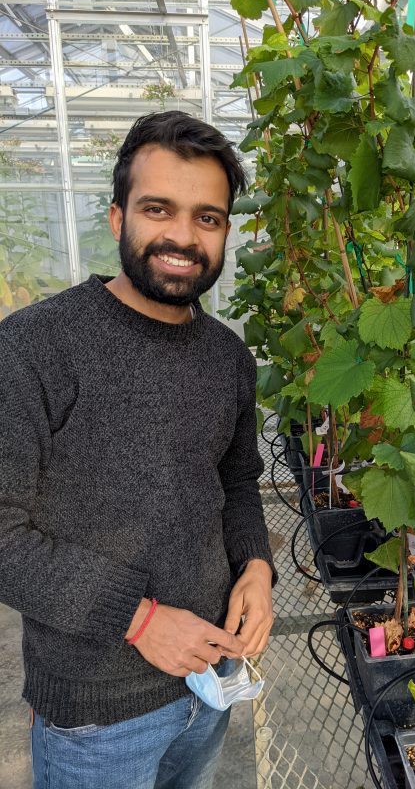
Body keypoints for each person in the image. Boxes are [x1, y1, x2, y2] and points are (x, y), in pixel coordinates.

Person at [0, 110, 276, 789]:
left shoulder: (227, 359)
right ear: (119, 216)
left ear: (225, 232)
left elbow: (237, 481)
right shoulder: (34, 349)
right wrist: (137, 618)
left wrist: (259, 566)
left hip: (211, 684)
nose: (182, 236)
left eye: (207, 217)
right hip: (97, 719)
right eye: (159, 209)